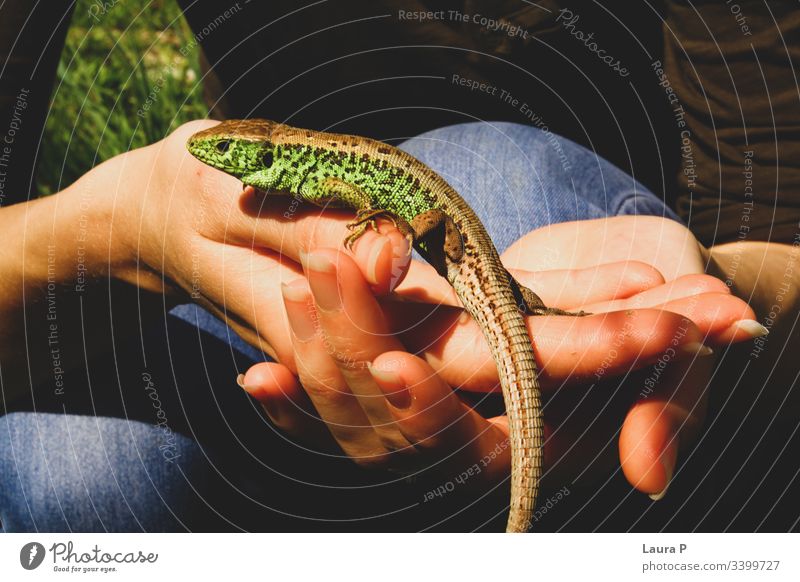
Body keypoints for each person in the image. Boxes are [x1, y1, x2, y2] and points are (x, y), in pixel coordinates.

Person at [0, 1, 797, 532]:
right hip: (404, 264)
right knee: (73, 464)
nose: (221, 160)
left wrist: (735, 288)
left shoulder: (326, 174)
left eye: (236, 155)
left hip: (554, 213)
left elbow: (778, 222)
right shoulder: (271, 177)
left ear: (269, 157)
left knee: (495, 166)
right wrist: (114, 228)